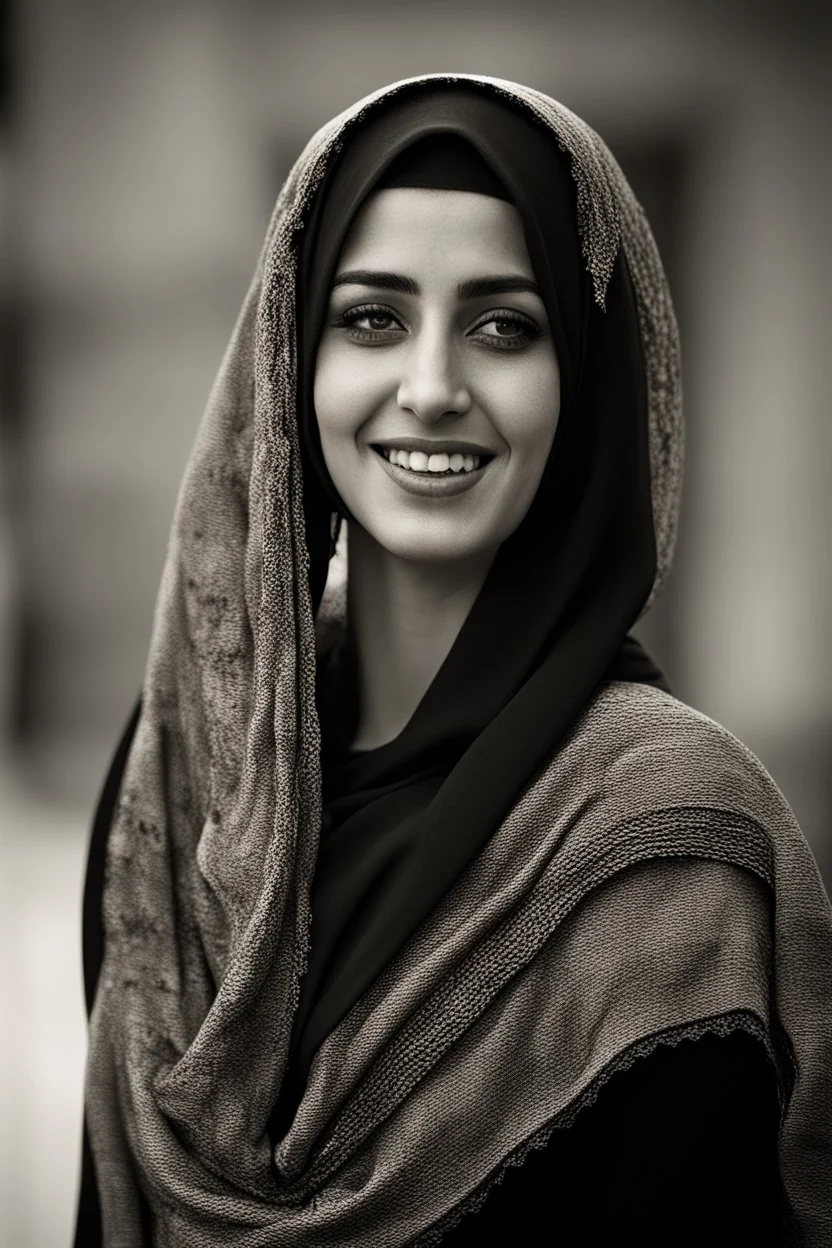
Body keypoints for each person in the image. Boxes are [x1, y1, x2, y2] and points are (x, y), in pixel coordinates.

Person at [74, 75, 832, 1246]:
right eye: (372, 318)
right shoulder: (191, 777)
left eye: (503, 327)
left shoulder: (670, 841)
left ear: (581, 382)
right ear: (290, 366)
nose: (431, 390)